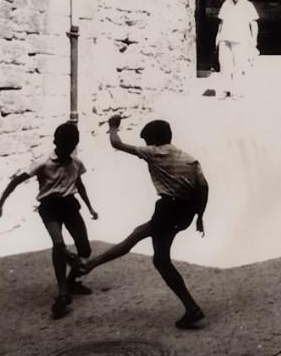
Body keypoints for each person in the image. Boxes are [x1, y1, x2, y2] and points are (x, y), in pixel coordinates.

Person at [74, 115, 207, 329]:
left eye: (147, 141)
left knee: (143, 244)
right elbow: (203, 188)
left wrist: (113, 126)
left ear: (154, 140)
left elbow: (117, 144)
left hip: (168, 209)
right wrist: (200, 216)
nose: (146, 145)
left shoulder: (154, 152)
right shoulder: (189, 159)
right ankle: (191, 308)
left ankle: (90, 264)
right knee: (153, 251)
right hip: (185, 212)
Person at [0, 121, 97, 319]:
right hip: (50, 208)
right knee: (58, 244)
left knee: (85, 250)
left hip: (70, 206)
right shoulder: (43, 162)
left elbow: (80, 185)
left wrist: (90, 207)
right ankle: (63, 291)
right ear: (56, 143)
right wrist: (0, 204)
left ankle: (72, 281)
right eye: (64, 146)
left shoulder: (76, 163)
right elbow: (16, 181)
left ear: (74, 146)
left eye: (71, 147)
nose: (67, 150)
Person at [214, 0, 259, 98]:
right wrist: (218, 36)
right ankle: (225, 89)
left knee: (239, 66)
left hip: (241, 40)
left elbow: (254, 24)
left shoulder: (248, 5)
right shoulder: (226, 4)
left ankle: (236, 91)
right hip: (225, 38)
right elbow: (221, 22)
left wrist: (254, 39)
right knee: (224, 65)